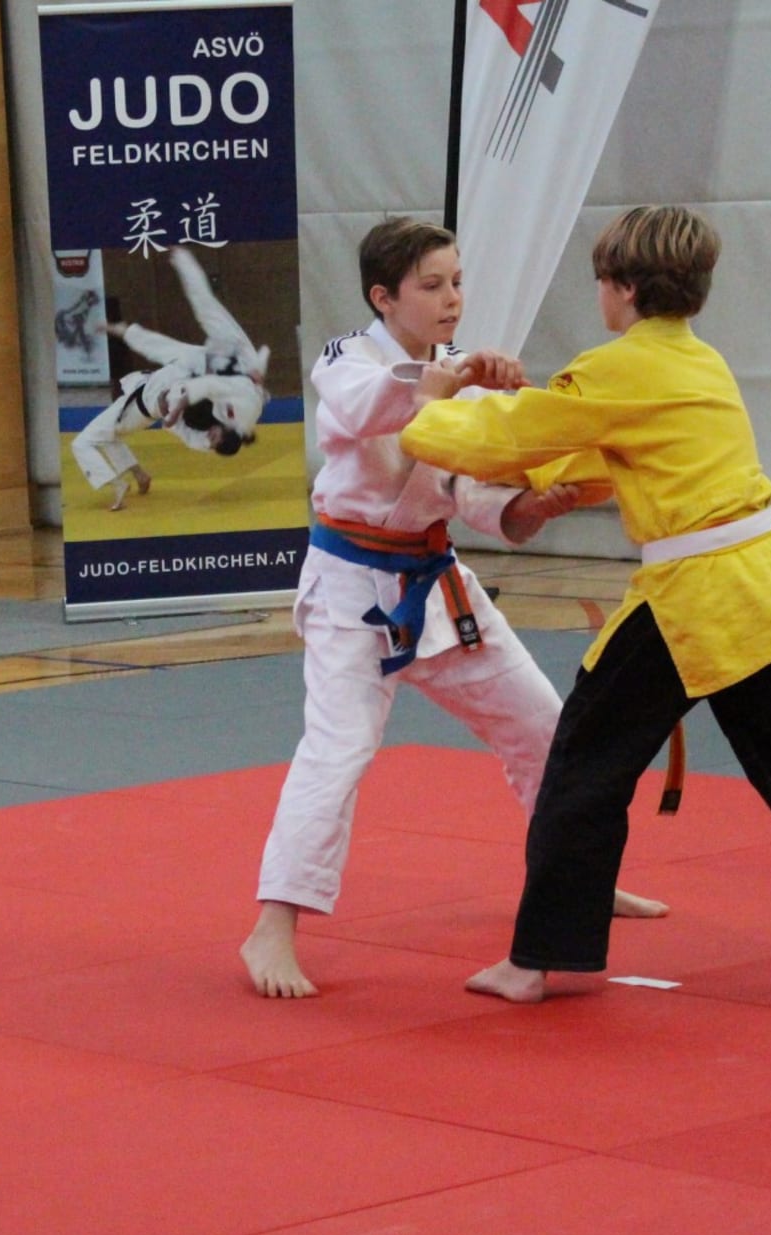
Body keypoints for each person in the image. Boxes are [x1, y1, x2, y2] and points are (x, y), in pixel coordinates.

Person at [399, 205, 771, 1003]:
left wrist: (430, 405)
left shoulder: (619, 369)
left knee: (583, 767)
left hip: (694, 599)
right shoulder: (700, 362)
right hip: (770, 590)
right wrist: (548, 479)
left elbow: (495, 437)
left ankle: (540, 959)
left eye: (602, 282)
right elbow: (606, 457)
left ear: (623, 288)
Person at [243, 217, 667, 999]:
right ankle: (273, 924)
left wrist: (532, 506)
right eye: (432, 285)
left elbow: (472, 494)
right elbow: (367, 413)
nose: (452, 299)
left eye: (458, 283)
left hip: (438, 584)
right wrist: (452, 378)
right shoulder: (348, 359)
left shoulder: (457, 373)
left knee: (547, 728)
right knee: (338, 751)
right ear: (384, 297)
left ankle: (577, 880)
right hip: (351, 588)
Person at [69, 247, 269, 510]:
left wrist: (171, 417)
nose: (211, 436)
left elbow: (193, 411)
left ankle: (129, 325)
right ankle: (182, 257)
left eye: (211, 439)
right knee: (206, 306)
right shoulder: (244, 409)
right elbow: (216, 383)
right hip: (239, 362)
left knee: (170, 352)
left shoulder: (206, 427)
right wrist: (256, 372)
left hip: (187, 378)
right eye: (216, 437)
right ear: (227, 431)